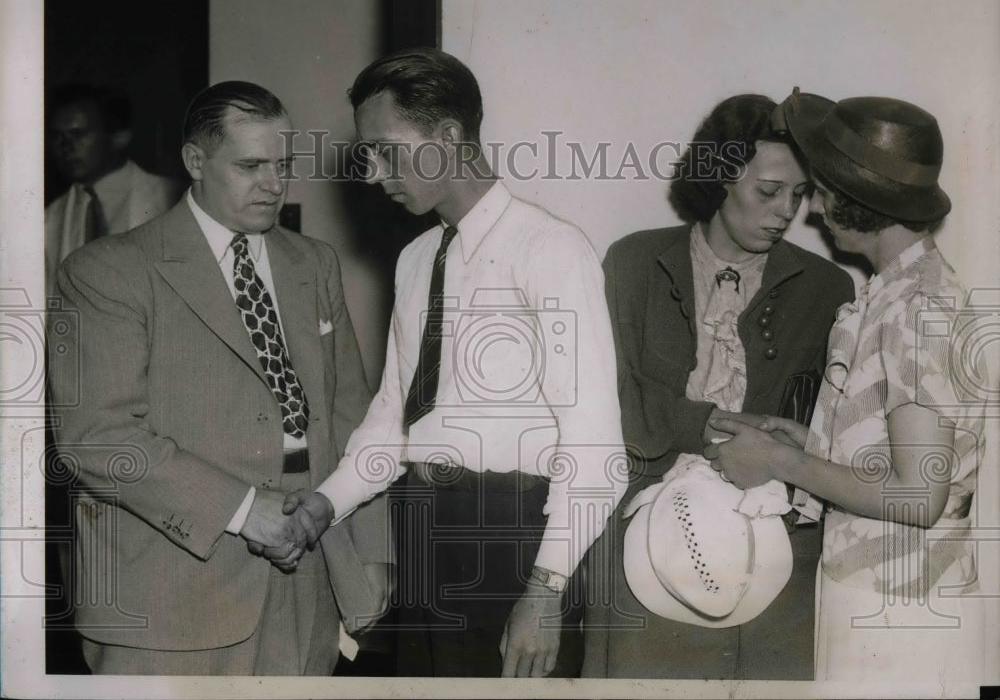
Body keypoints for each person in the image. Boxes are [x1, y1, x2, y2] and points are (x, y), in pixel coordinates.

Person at [282, 47, 627, 678]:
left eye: (386, 149)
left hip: (518, 540)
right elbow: (394, 420)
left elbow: (596, 448)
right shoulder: (415, 259)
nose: (371, 172)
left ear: (448, 137)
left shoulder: (551, 250)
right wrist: (325, 504)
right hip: (425, 529)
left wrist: (546, 590)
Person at [46, 81, 391, 675]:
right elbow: (97, 436)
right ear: (195, 161)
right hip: (166, 596)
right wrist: (243, 510)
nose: (273, 183)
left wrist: (371, 549)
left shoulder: (314, 262)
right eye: (250, 165)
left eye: (283, 165)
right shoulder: (107, 271)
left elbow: (351, 415)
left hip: (309, 584)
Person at [708, 92, 988, 682]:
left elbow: (919, 496)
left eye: (828, 190)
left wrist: (781, 462)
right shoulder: (898, 292)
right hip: (878, 597)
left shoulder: (915, 306)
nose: (814, 209)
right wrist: (811, 442)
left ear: (863, 201)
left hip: (899, 613)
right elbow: (899, 463)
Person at [582, 94, 855, 680]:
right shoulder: (633, 263)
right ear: (721, 176)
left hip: (774, 546)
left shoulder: (827, 287)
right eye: (769, 191)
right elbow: (603, 399)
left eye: (800, 195)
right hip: (649, 537)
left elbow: (830, 431)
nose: (787, 211)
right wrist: (701, 425)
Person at [45, 83, 184, 296]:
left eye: (78, 134)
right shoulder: (50, 219)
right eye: (58, 136)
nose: (66, 147)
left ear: (118, 137)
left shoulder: (174, 199)